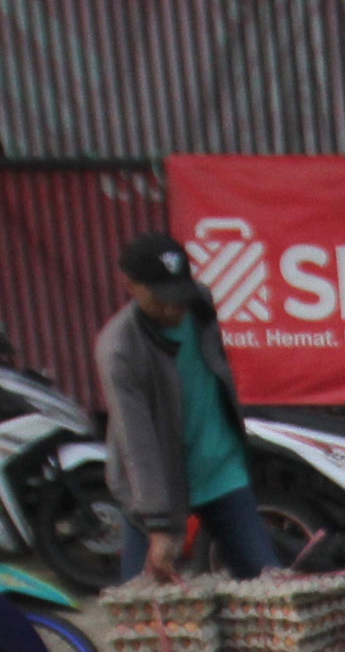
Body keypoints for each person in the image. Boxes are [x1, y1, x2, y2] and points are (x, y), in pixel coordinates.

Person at [96, 228, 278, 583]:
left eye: (179, 295)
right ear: (131, 285)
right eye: (161, 298)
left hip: (221, 471)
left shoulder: (199, 303)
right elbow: (138, 444)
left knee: (270, 592)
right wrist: (159, 527)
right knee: (144, 609)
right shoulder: (119, 348)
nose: (173, 307)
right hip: (157, 489)